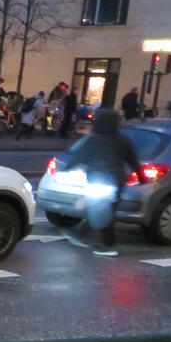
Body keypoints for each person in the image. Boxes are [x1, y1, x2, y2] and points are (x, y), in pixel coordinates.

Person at [64, 108, 146, 256]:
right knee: (107, 211)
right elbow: (133, 162)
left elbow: (79, 157)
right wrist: (142, 178)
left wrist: (66, 169)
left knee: (94, 209)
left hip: (96, 180)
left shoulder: (93, 139)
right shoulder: (123, 140)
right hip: (115, 182)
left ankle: (107, 245)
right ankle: (104, 242)